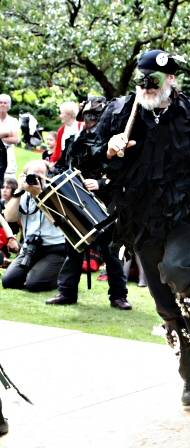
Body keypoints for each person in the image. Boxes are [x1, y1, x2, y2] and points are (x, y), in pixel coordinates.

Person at [93, 49, 190, 406]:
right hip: (140, 217)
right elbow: (87, 153)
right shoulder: (119, 113)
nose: (145, 86)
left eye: (153, 80)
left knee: (177, 267)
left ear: (171, 80)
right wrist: (110, 150)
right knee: (162, 298)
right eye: (141, 80)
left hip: (185, 212)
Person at [46, 96, 132, 310]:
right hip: (77, 202)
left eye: (95, 116)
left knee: (111, 253)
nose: (91, 120)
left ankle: (118, 296)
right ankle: (67, 292)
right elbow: (60, 167)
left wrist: (101, 183)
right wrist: (65, 180)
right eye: (88, 116)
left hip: (104, 204)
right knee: (74, 247)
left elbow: (124, 174)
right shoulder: (74, 142)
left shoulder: (113, 142)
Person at [2, 160, 66, 292]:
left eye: (39, 175)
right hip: (30, 248)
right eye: (31, 175)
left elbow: (59, 220)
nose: (35, 179)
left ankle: (60, 274)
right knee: (9, 281)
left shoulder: (57, 192)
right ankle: (39, 270)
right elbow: (9, 217)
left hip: (55, 249)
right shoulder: (23, 194)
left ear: (48, 176)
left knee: (34, 284)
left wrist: (39, 195)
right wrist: (19, 191)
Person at [0, 94, 20, 179]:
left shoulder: (13, 121)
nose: (2, 104)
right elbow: (12, 136)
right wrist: (7, 133)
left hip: (8, 154)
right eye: (0, 102)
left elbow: (16, 139)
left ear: (9, 105)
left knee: (9, 181)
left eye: (5, 103)